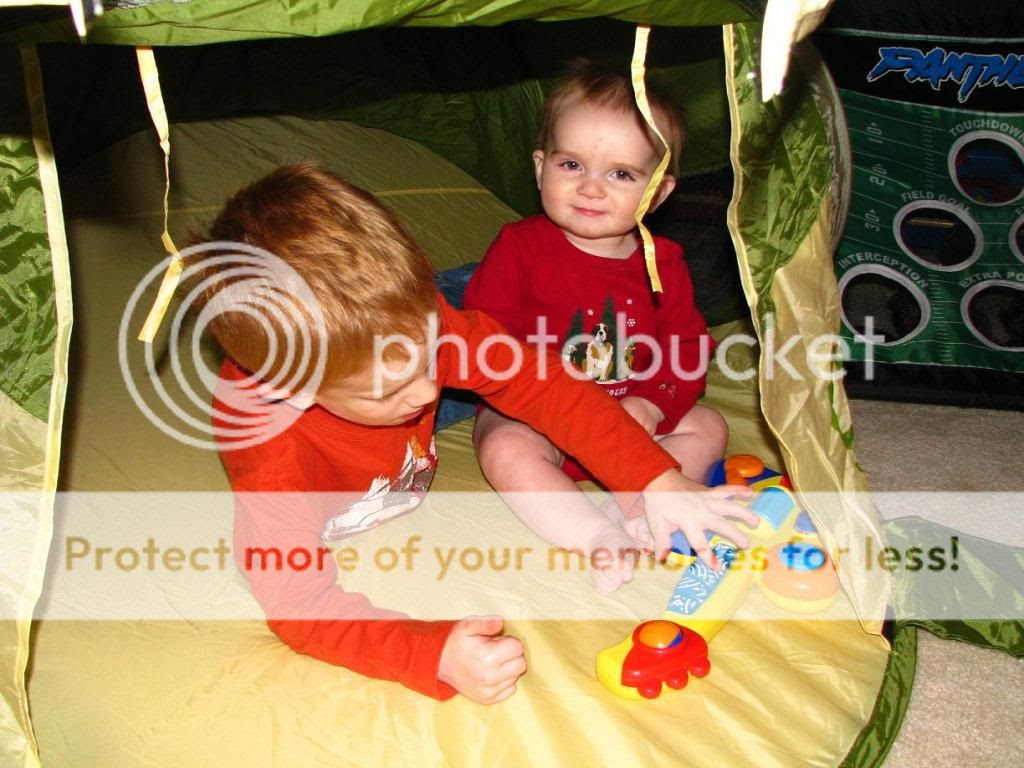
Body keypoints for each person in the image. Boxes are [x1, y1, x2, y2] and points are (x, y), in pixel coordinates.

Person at [192, 163, 754, 705]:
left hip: (437, 320)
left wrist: (654, 478)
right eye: (386, 391)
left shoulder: (421, 330)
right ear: (294, 391)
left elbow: (542, 383)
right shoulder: (273, 459)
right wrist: (431, 653)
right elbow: (300, 604)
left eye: (427, 359)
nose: (423, 393)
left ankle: (456, 287)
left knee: (489, 336)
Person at [463, 60, 729, 594]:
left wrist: (652, 403)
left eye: (621, 174)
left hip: (631, 419)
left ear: (658, 193)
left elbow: (686, 350)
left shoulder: (663, 263)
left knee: (708, 426)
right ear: (540, 167)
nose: (590, 188)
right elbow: (483, 339)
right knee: (502, 446)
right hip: (539, 418)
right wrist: (535, 397)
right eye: (571, 165)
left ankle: (630, 509)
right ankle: (592, 534)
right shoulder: (519, 247)